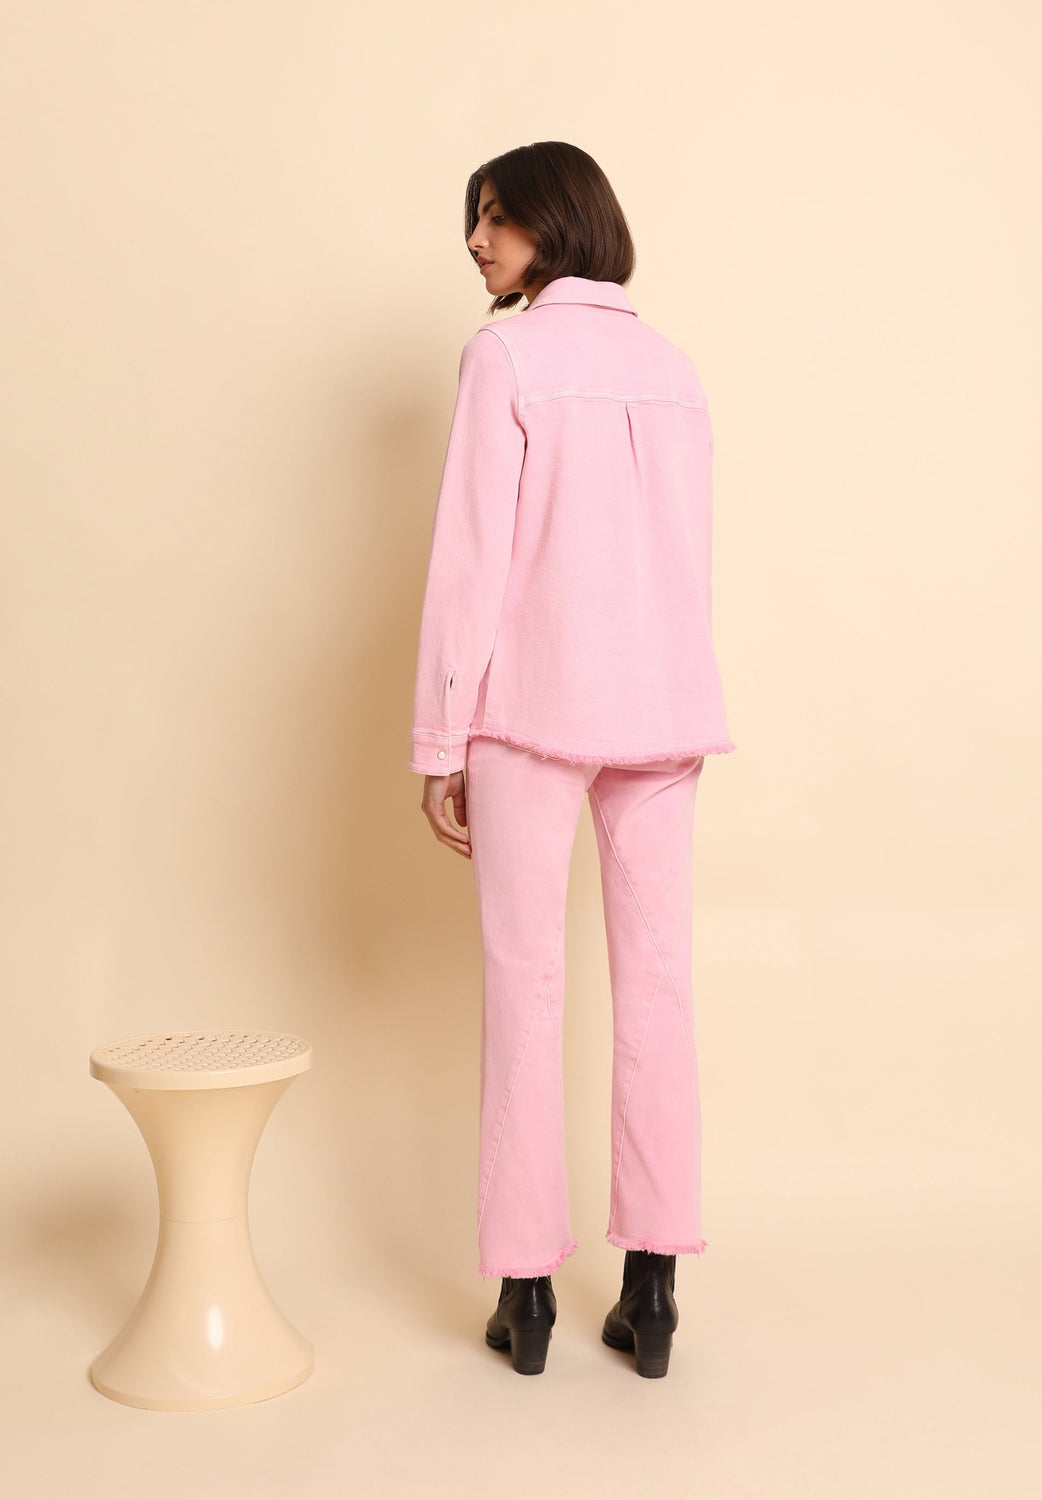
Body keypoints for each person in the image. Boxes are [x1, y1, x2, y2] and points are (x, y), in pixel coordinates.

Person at [409, 141, 735, 1378]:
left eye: (497, 217)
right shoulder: (675, 370)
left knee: (523, 985)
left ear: (557, 222)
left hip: (529, 710)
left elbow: (470, 561)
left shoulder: (504, 358)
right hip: (665, 709)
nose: (477, 240)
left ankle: (526, 1292)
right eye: (475, 219)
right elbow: (686, 557)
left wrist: (441, 738)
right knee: (657, 991)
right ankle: (652, 1293)